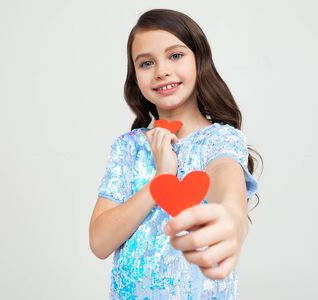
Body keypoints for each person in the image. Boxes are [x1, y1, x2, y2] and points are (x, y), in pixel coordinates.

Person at [89, 8, 262, 299]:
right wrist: (161, 179)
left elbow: (226, 183)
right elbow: (100, 241)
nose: (162, 71)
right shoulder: (129, 147)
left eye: (175, 56)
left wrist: (232, 220)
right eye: (146, 63)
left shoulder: (220, 140)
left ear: (199, 60)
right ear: (135, 77)